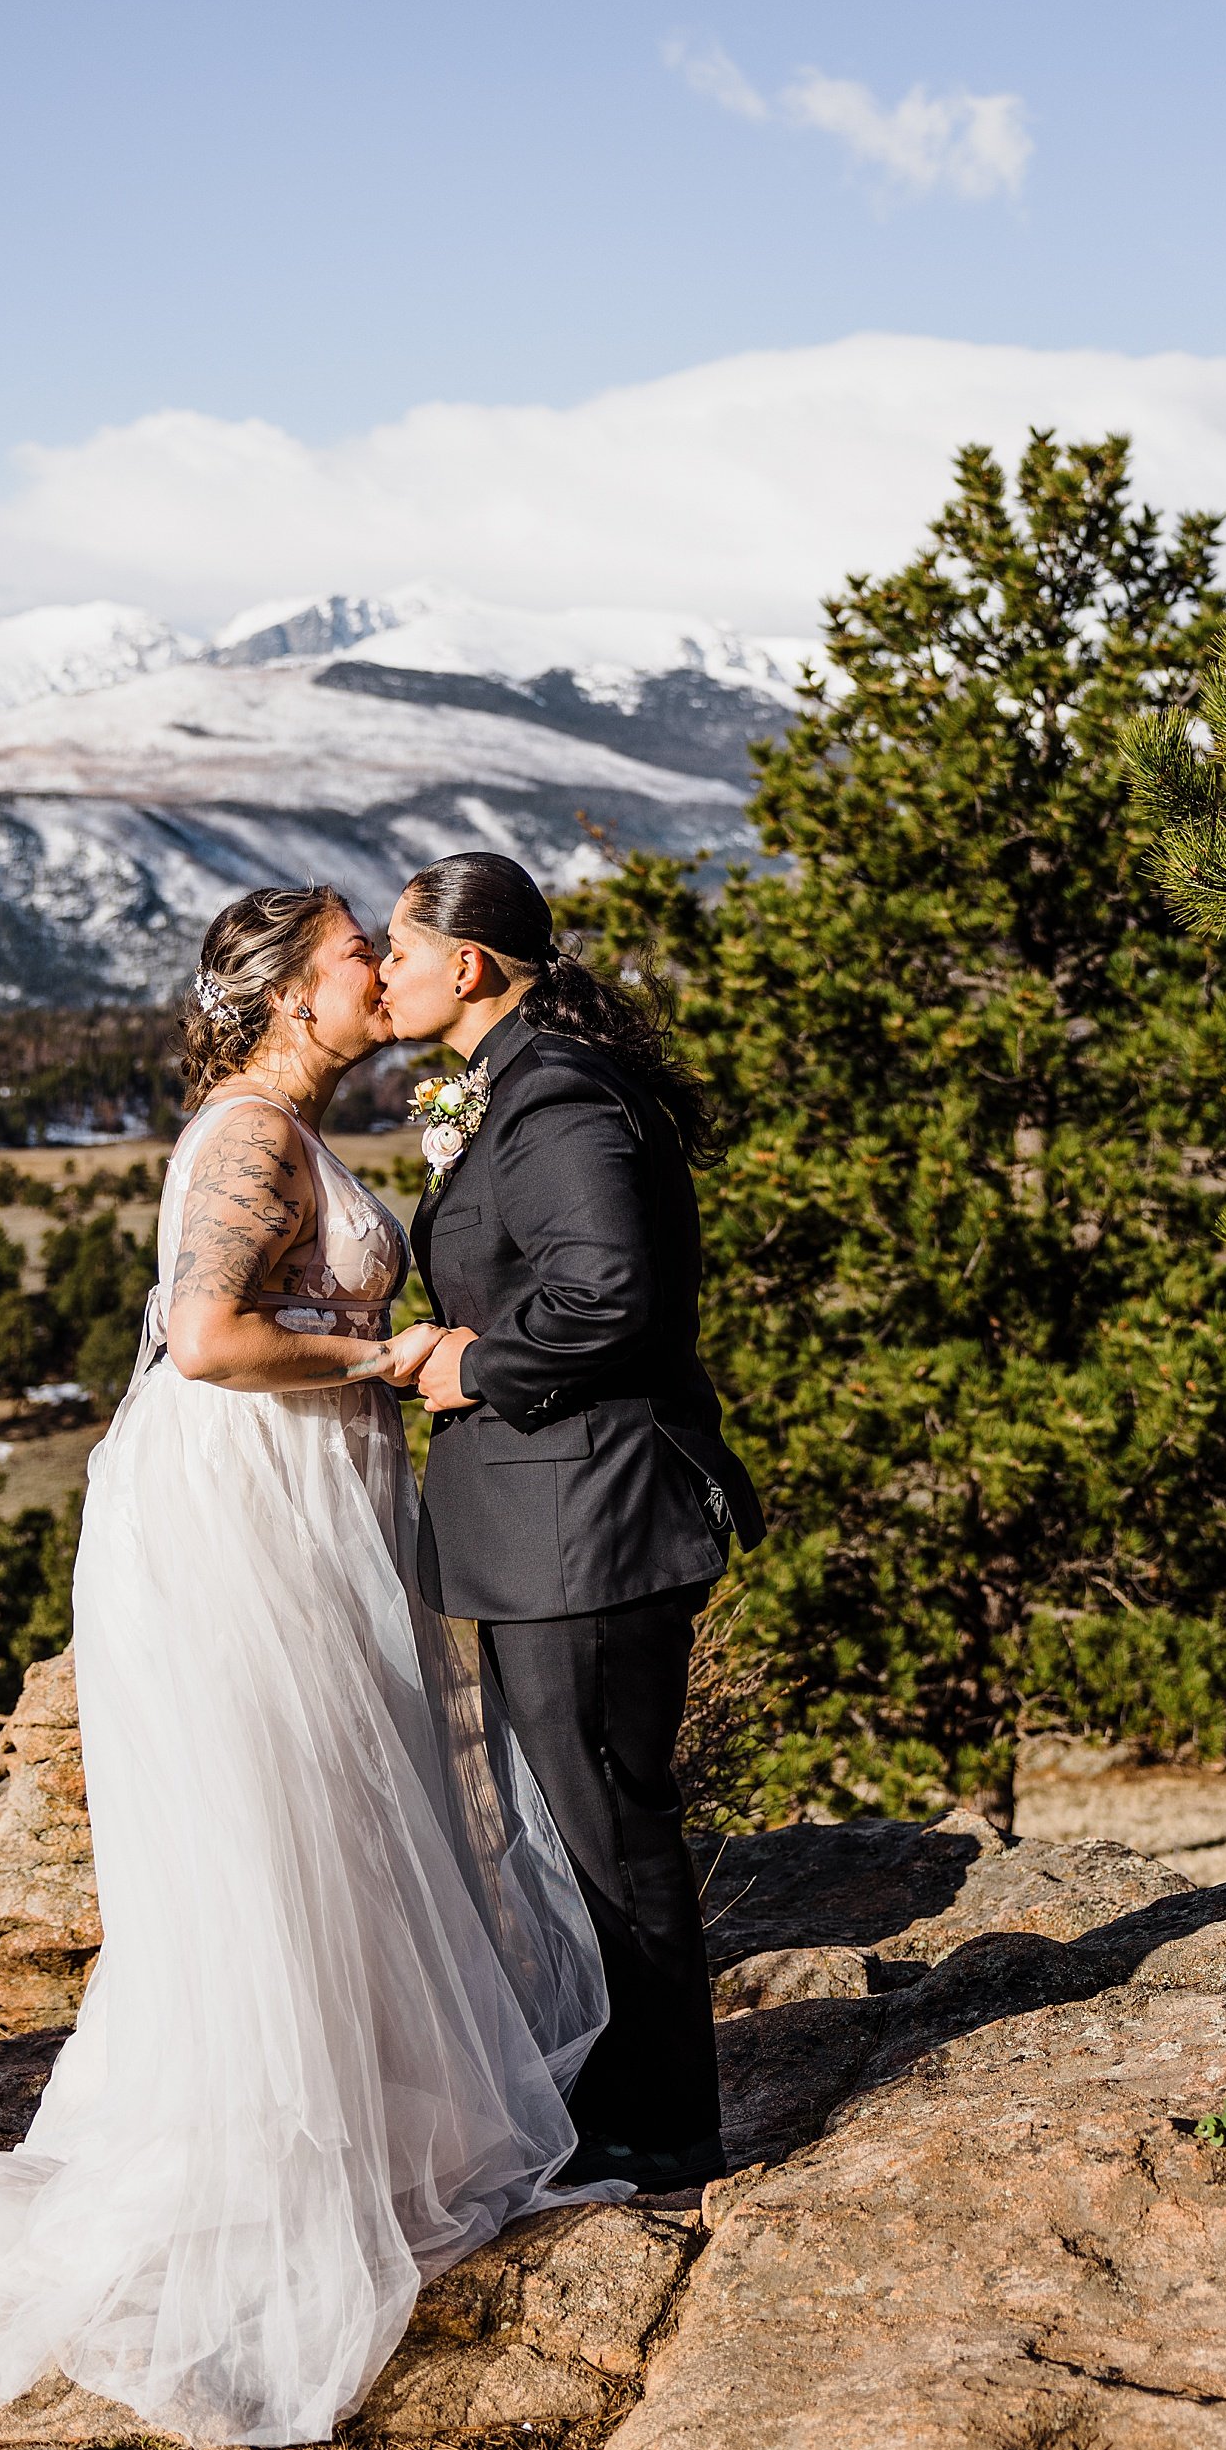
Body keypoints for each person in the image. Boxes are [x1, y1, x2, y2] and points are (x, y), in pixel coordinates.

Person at [0, 886, 616, 2449]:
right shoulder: (247, 1138)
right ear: (292, 992)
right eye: (358, 950)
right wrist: (383, 1358)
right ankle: (260, 2183)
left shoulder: (289, 1126)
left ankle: (347, 2139)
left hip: (311, 1495)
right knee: (274, 1828)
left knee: (338, 1823)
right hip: (243, 1510)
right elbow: (206, 1337)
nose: (378, 970)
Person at [381, 852, 764, 2194]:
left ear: (468, 966)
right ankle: (626, 2096)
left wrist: (471, 1362)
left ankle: (662, 2129)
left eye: (398, 952)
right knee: (589, 1821)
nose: (384, 976)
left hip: (587, 1529)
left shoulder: (555, 1098)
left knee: (612, 1825)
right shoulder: (529, 1081)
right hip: (557, 1528)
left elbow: (610, 1292)